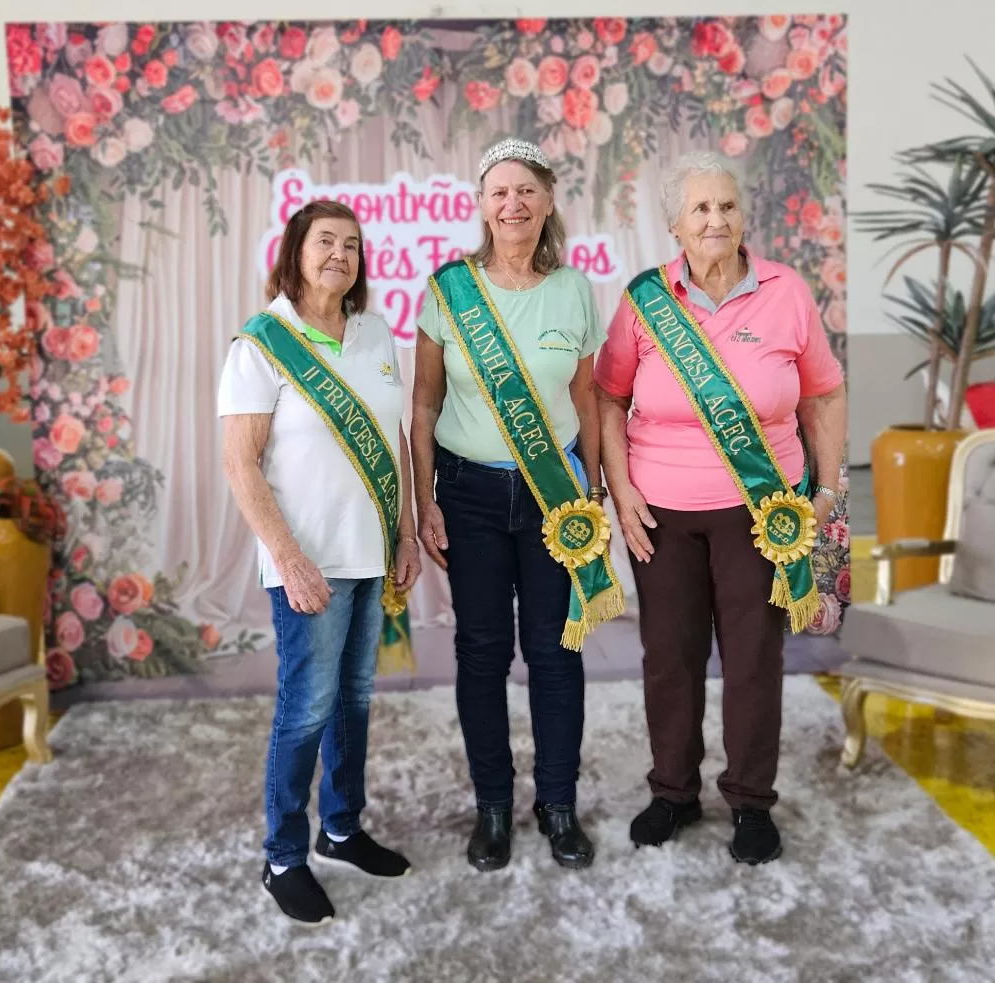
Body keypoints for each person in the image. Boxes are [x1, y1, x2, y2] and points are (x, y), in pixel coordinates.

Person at [595, 150, 847, 865]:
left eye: (727, 206)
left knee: (754, 659)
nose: (717, 219)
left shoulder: (786, 290)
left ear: (743, 217)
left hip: (762, 515)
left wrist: (824, 493)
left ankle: (750, 801)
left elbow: (824, 393)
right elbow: (609, 398)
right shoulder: (645, 298)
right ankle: (673, 791)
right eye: (701, 208)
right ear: (675, 224)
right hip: (663, 514)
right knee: (669, 659)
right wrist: (621, 489)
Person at [411, 138, 624, 872]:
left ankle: (557, 806)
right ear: (481, 205)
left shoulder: (574, 289)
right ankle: (493, 807)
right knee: (481, 653)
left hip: (553, 496)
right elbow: (424, 400)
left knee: (556, 651)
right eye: (499, 192)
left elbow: (588, 401)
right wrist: (424, 499)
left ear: (548, 201)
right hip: (467, 494)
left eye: (526, 190)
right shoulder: (448, 289)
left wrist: (590, 495)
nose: (513, 204)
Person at [219, 200, 421, 924]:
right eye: (325, 241)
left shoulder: (374, 333)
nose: (340, 253)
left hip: (372, 557)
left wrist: (406, 529)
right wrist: (289, 557)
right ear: (295, 251)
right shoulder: (262, 343)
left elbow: (393, 437)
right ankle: (283, 855)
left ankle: (341, 828)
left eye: (352, 244)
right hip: (307, 562)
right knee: (305, 710)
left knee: (353, 704)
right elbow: (241, 466)